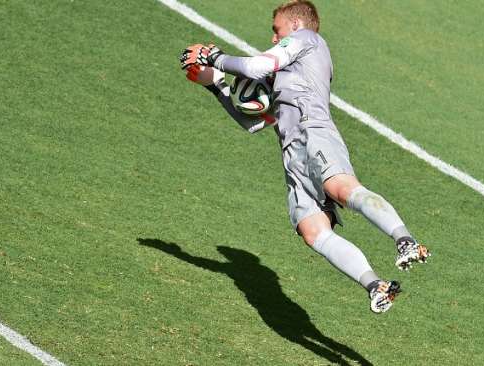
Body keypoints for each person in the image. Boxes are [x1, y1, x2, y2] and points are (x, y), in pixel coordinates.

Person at [179, 0, 430, 313]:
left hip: (315, 132)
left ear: (295, 25)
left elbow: (257, 66)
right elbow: (254, 122)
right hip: (291, 152)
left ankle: (405, 239)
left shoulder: (307, 40)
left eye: (277, 30)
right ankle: (374, 285)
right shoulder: (285, 71)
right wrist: (215, 85)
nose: (273, 37)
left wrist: (214, 57)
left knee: (341, 188)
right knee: (313, 231)